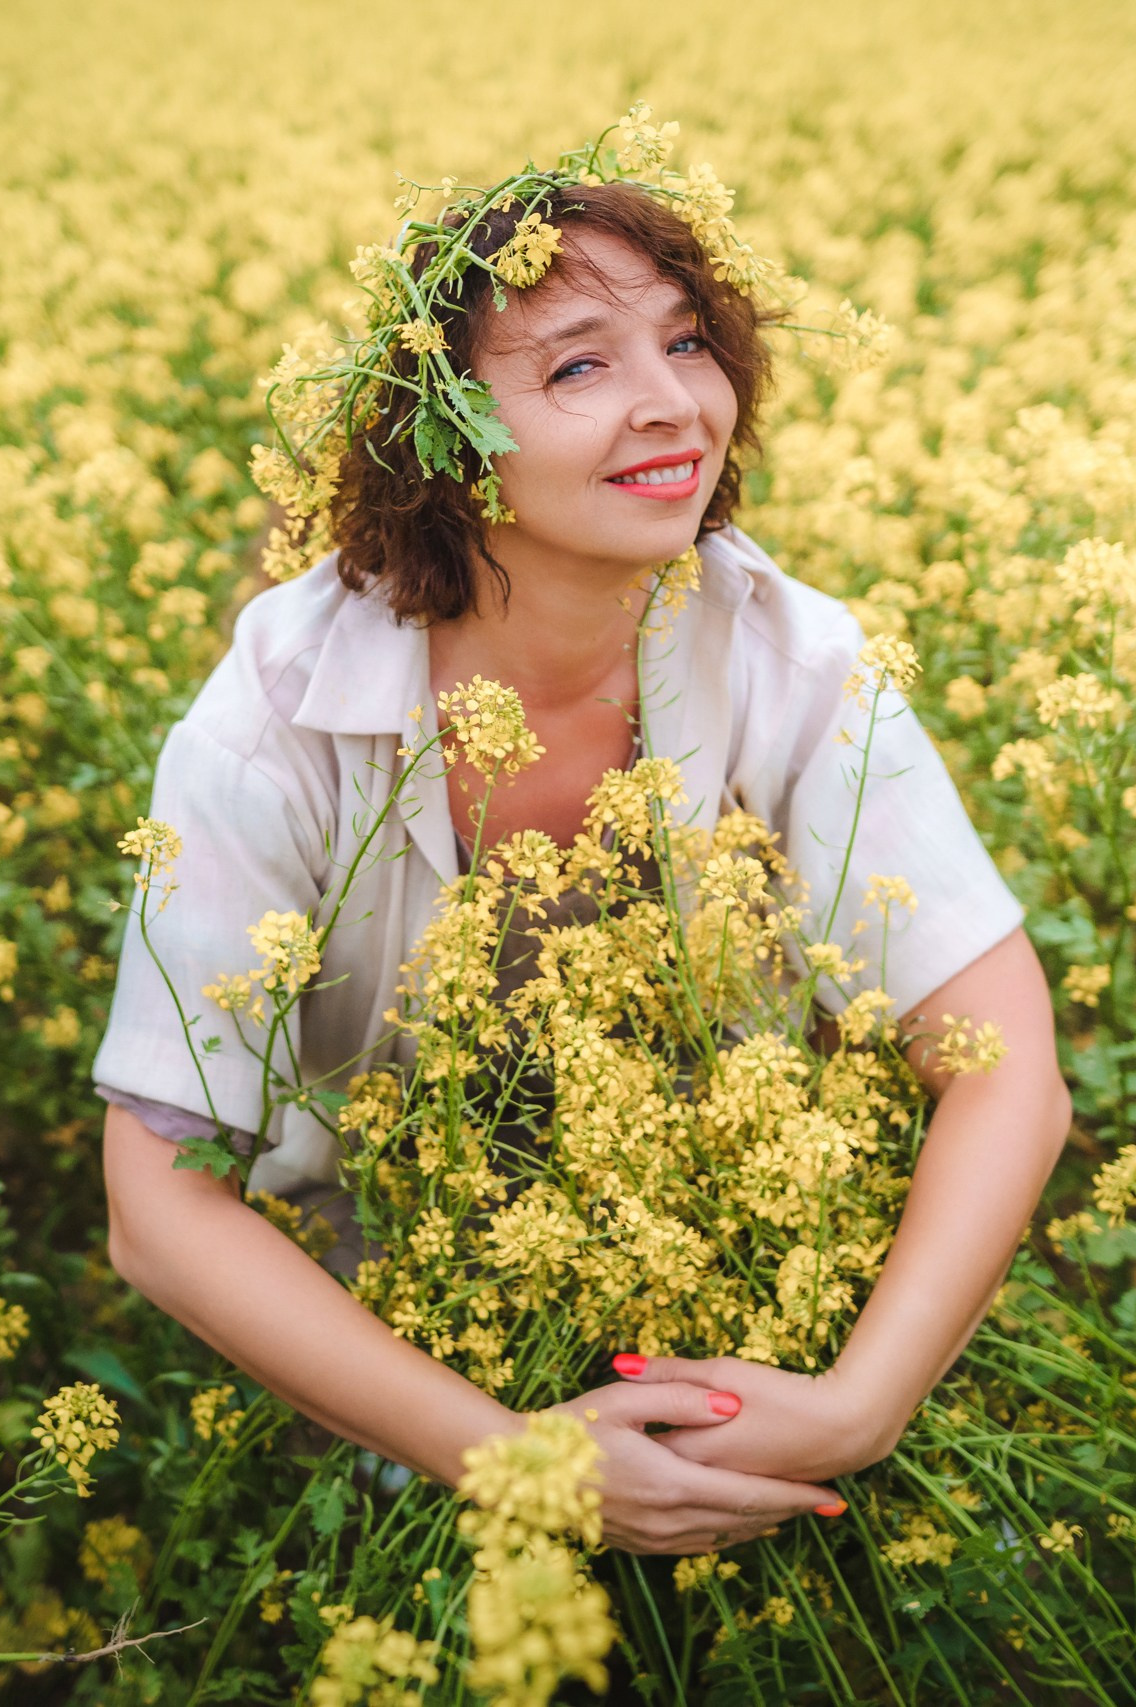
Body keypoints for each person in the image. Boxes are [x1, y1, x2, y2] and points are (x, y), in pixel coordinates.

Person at [94, 172, 1073, 1557]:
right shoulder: (273, 725)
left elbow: (1003, 1061)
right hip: (384, 1323)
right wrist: (517, 1463)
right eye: (578, 367)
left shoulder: (792, 657)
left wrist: (859, 1409)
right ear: (446, 439)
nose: (673, 402)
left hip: (751, 1281)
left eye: (687, 341)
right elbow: (159, 1206)